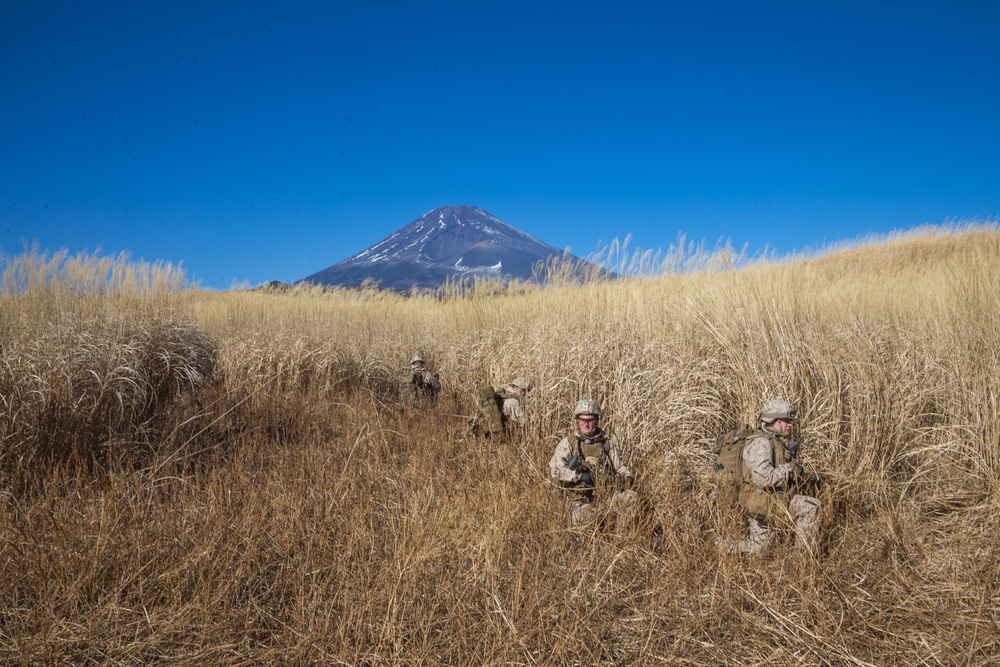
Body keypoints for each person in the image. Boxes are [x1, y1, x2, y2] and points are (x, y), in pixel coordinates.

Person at [733, 399, 820, 554]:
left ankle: (802, 556)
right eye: (786, 421)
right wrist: (790, 470)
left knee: (811, 506)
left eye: (790, 421)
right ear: (773, 421)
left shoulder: (776, 441)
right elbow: (762, 478)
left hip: (772, 500)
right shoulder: (761, 443)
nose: (790, 424)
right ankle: (718, 545)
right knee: (759, 549)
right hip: (762, 503)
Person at [548, 399, 637, 527]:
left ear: (596, 420)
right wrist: (578, 476)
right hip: (577, 501)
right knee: (588, 518)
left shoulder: (606, 444)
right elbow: (555, 472)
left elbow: (620, 466)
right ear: (577, 420)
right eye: (583, 420)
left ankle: (621, 534)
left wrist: (627, 477)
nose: (586, 424)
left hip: (604, 496)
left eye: (590, 419)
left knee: (631, 497)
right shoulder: (568, 443)